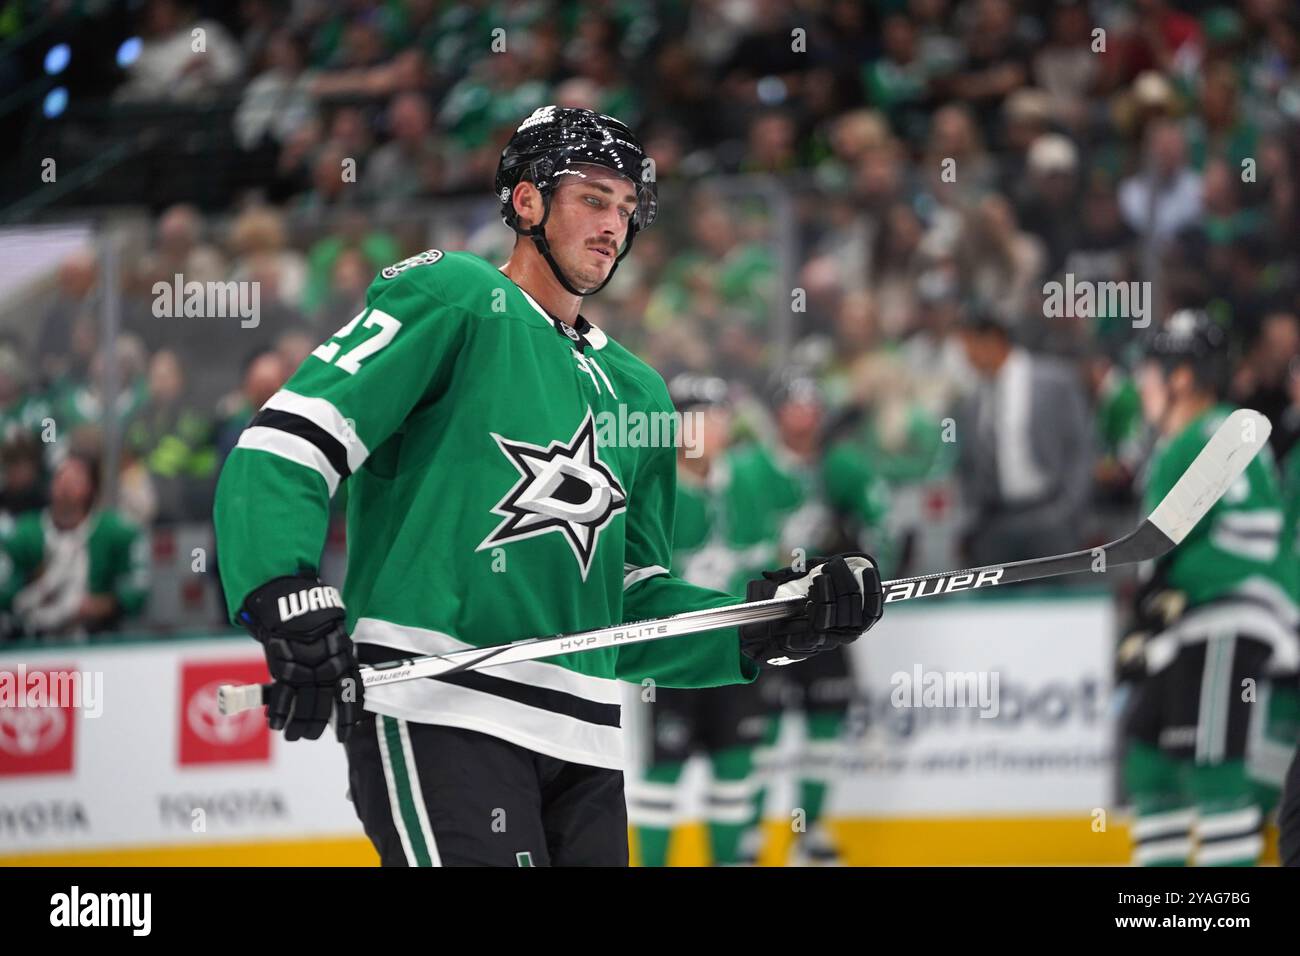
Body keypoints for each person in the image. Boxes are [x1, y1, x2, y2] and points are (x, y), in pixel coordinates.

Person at [213, 106, 884, 866]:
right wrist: (283, 589)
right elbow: (289, 440)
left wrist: (766, 621)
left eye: (628, 209)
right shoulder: (454, 295)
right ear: (526, 202)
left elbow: (630, 601)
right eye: (594, 198)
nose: (614, 225)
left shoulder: (638, 393)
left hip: (585, 738)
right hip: (441, 711)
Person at [1119, 310, 1299, 866]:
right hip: (1189, 629)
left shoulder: (1221, 432)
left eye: (1151, 371)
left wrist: (1170, 594)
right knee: (1151, 768)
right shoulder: (1187, 440)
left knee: (1216, 779)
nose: (1140, 385)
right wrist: (1153, 611)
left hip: (1227, 622)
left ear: (1181, 377)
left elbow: (1250, 538)